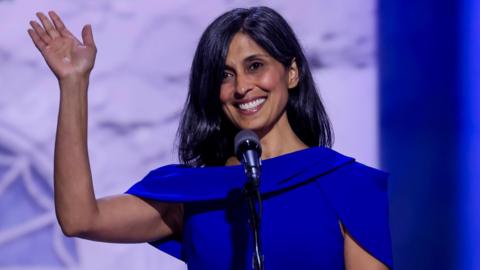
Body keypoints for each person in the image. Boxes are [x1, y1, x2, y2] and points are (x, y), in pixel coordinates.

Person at [28, 6, 392, 270]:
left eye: (255, 66)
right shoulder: (195, 192)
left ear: (292, 72)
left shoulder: (350, 186)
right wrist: (73, 83)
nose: (242, 87)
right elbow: (79, 219)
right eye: (224, 75)